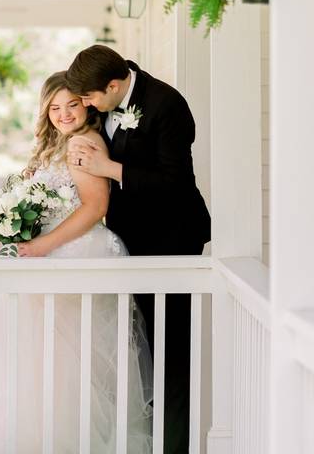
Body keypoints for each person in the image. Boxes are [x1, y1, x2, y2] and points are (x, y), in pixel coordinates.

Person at [0, 71, 152, 454]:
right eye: (55, 107)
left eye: (72, 105)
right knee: (32, 353)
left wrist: (43, 244)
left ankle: (58, 439)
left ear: (86, 104)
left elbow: (96, 206)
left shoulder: (85, 142)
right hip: (51, 247)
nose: (63, 114)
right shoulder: (57, 144)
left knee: (62, 357)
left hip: (75, 249)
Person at [65, 45, 211, 454]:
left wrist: (108, 170)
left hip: (171, 240)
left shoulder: (166, 104)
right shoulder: (103, 102)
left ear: (113, 85)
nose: (86, 105)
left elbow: (176, 183)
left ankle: (174, 445)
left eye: (90, 98)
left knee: (171, 351)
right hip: (127, 241)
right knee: (138, 345)